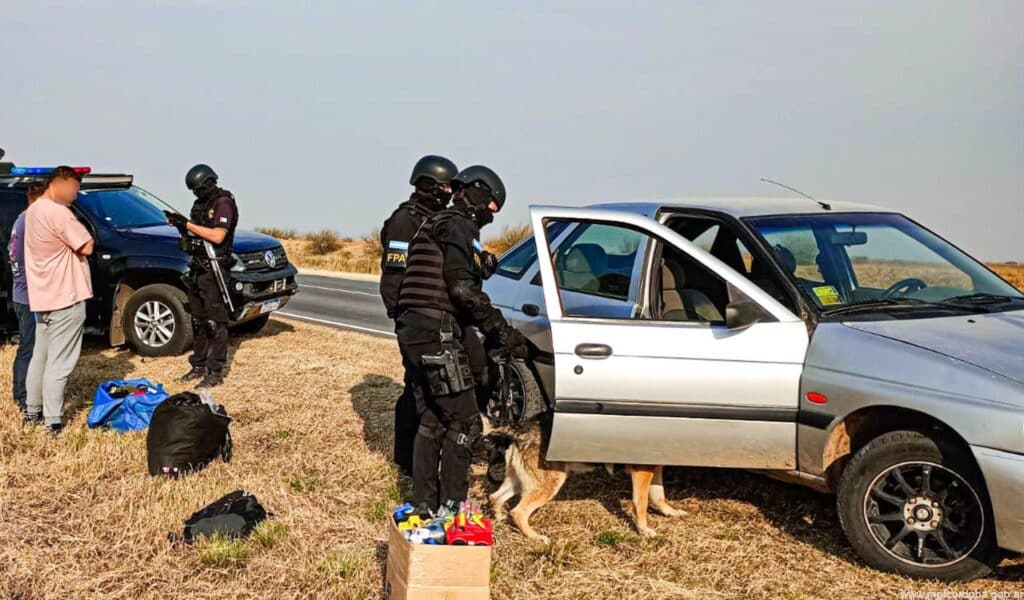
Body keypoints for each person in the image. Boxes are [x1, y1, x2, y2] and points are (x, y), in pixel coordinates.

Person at [394, 164, 527, 511]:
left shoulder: (437, 221)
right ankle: (453, 508)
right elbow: (462, 291)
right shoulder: (458, 224)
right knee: (465, 421)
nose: (492, 214)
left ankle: (424, 504)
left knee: (434, 418)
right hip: (435, 333)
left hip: (414, 331)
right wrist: (501, 329)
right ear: (479, 192)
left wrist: (478, 263)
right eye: (492, 205)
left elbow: (447, 272)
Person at [24, 167, 94, 434]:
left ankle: (32, 412)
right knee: (60, 362)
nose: (75, 196)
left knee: (39, 357)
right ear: (61, 183)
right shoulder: (59, 213)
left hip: (43, 296)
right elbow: (86, 245)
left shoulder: (33, 211)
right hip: (66, 295)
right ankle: (53, 421)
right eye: (75, 189)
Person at [167, 164, 239, 389]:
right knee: (198, 319)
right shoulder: (199, 205)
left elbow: (218, 236)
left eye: (198, 189)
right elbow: (195, 232)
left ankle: (215, 370)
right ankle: (198, 364)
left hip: (215, 267)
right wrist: (181, 227)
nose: (197, 194)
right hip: (197, 266)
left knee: (215, 321)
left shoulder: (223, 202)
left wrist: (187, 225)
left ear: (209, 182)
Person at [10, 181, 46, 417]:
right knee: (30, 348)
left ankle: (25, 394)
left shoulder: (21, 220)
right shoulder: (29, 223)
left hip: (23, 294)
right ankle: (23, 396)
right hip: (30, 296)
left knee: (30, 347)